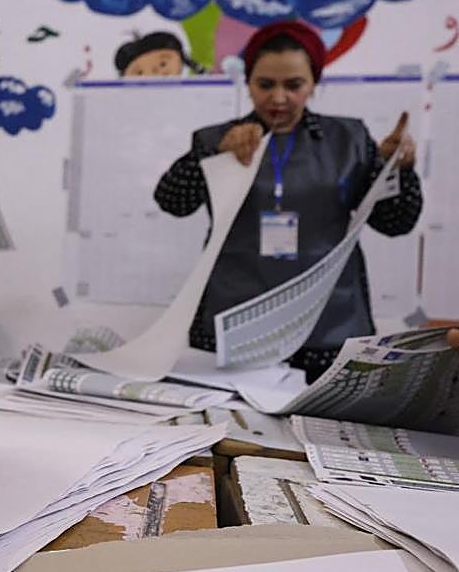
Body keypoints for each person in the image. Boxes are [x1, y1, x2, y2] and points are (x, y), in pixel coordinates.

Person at [154, 20, 422, 382]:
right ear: (248, 83)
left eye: (293, 85)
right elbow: (172, 201)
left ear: (313, 84)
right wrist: (216, 155)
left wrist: (398, 169)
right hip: (234, 316)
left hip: (328, 319)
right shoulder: (218, 139)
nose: (278, 98)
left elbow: (396, 222)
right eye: (265, 84)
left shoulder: (350, 140)